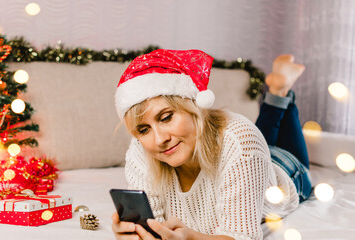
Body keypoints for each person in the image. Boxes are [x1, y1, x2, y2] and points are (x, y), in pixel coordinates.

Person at [111, 49, 312, 240]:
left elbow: (242, 237)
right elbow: (155, 225)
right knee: (258, 139)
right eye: (144, 129)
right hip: (245, 153)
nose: (159, 139)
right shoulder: (141, 149)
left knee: (259, 143)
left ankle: (282, 91)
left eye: (166, 117)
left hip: (286, 170)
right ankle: (279, 87)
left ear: (193, 106)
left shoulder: (242, 144)